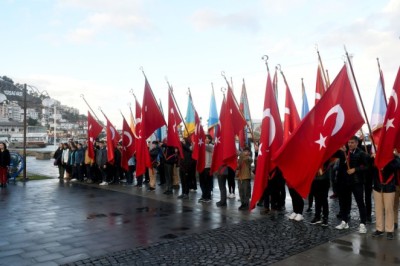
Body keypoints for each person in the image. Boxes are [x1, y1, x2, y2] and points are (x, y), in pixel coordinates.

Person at [335, 136, 369, 234]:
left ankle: (363, 224)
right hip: (345, 182)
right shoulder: (343, 152)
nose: (350, 144)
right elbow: (331, 153)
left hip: (356, 182)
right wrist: (339, 148)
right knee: (344, 202)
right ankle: (344, 221)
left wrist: (355, 169)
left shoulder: (361, 153)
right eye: (349, 142)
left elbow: (367, 167)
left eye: (352, 142)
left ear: (357, 143)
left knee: (360, 203)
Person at [371, 157, 400, 240]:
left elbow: (397, 166)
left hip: (389, 187)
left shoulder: (394, 158)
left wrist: (385, 164)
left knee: (389, 209)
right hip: (377, 186)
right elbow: (369, 167)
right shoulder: (375, 157)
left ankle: (389, 230)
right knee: (378, 208)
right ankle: (379, 229)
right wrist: (374, 159)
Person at [310, 160, 332, 226]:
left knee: (324, 199)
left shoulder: (326, 157)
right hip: (315, 181)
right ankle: (317, 216)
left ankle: (325, 217)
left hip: (324, 180)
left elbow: (328, 165)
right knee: (317, 199)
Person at [198, 135, 214, 203]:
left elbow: (205, 146)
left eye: (207, 138)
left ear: (210, 140)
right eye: (205, 138)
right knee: (202, 182)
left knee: (208, 182)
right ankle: (204, 195)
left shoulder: (211, 146)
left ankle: (208, 196)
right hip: (201, 166)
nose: (205, 139)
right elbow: (192, 148)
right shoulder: (201, 145)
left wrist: (199, 142)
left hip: (208, 167)